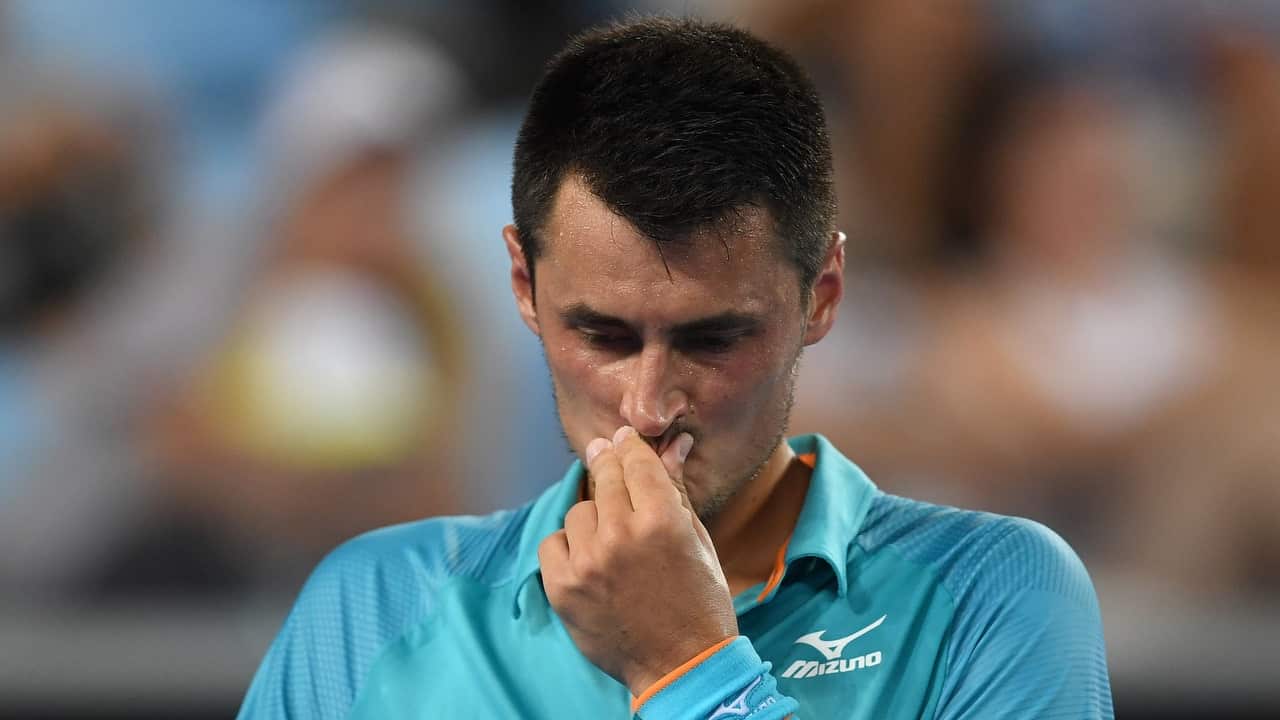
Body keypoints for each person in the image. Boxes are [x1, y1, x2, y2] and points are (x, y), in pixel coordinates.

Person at [237, 17, 1113, 719]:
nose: (650, 406)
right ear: (522, 285)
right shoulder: (374, 607)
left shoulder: (998, 596)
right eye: (605, 336)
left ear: (823, 295)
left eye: (712, 339)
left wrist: (687, 667)